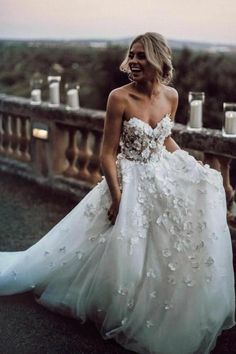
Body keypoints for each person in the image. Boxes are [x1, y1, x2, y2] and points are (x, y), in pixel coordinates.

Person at [0, 32, 235, 354]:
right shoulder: (119, 97)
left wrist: (193, 167)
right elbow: (107, 154)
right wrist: (119, 195)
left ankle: (157, 304)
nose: (134, 62)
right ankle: (116, 303)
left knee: (166, 243)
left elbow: (165, 139)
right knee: (125, 245)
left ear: (158, 60)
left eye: (142, 56)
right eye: (132, 55)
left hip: (162, 174)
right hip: (130, 177)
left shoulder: (172, 96)